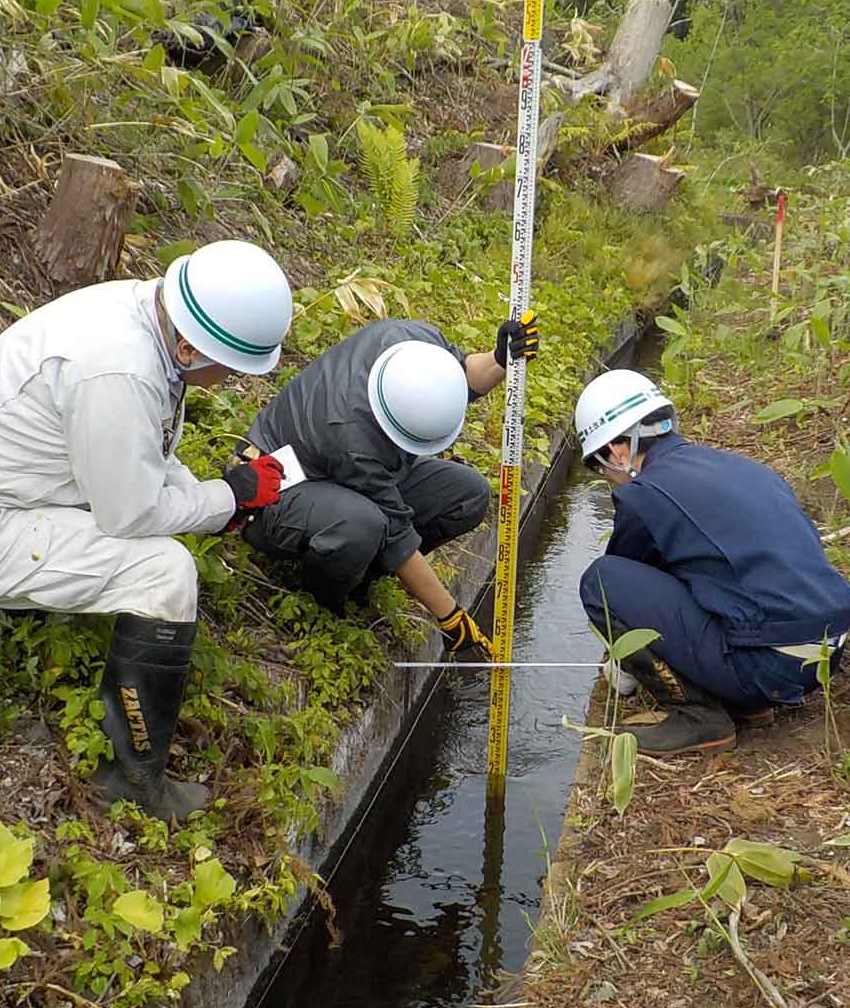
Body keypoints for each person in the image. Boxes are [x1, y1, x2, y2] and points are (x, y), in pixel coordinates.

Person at [0, 240, 293, 821]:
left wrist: (222, 497)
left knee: (155, 536)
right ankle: (133, 779)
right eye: (228, 369)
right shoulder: (118, 368)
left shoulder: (144, 315)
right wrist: (230, 497)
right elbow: (129, 515)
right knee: (164, 572)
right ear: (189, 346)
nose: (229, 380)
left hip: (11, 492)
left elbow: (144, 458)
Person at [574, 368, 850, 756]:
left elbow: (621, 594)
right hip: (827, 650)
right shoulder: (744, 469)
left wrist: (626, 667)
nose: (609, 479)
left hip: (769, 666)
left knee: (598, 582)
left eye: (601, 468)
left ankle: (699, 717)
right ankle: (744, 702)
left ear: (618, 450)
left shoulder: (644, 494)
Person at [238, 313, 539, 653]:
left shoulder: (413, 341)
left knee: (468, 494)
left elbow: (462, 374)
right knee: (364, 526)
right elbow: (398, 534)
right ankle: (322, 598)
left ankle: (361, 573)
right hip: (279, 493)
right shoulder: (351, 438)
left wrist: (500, 359)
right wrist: (449, 615)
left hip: (348, 477)